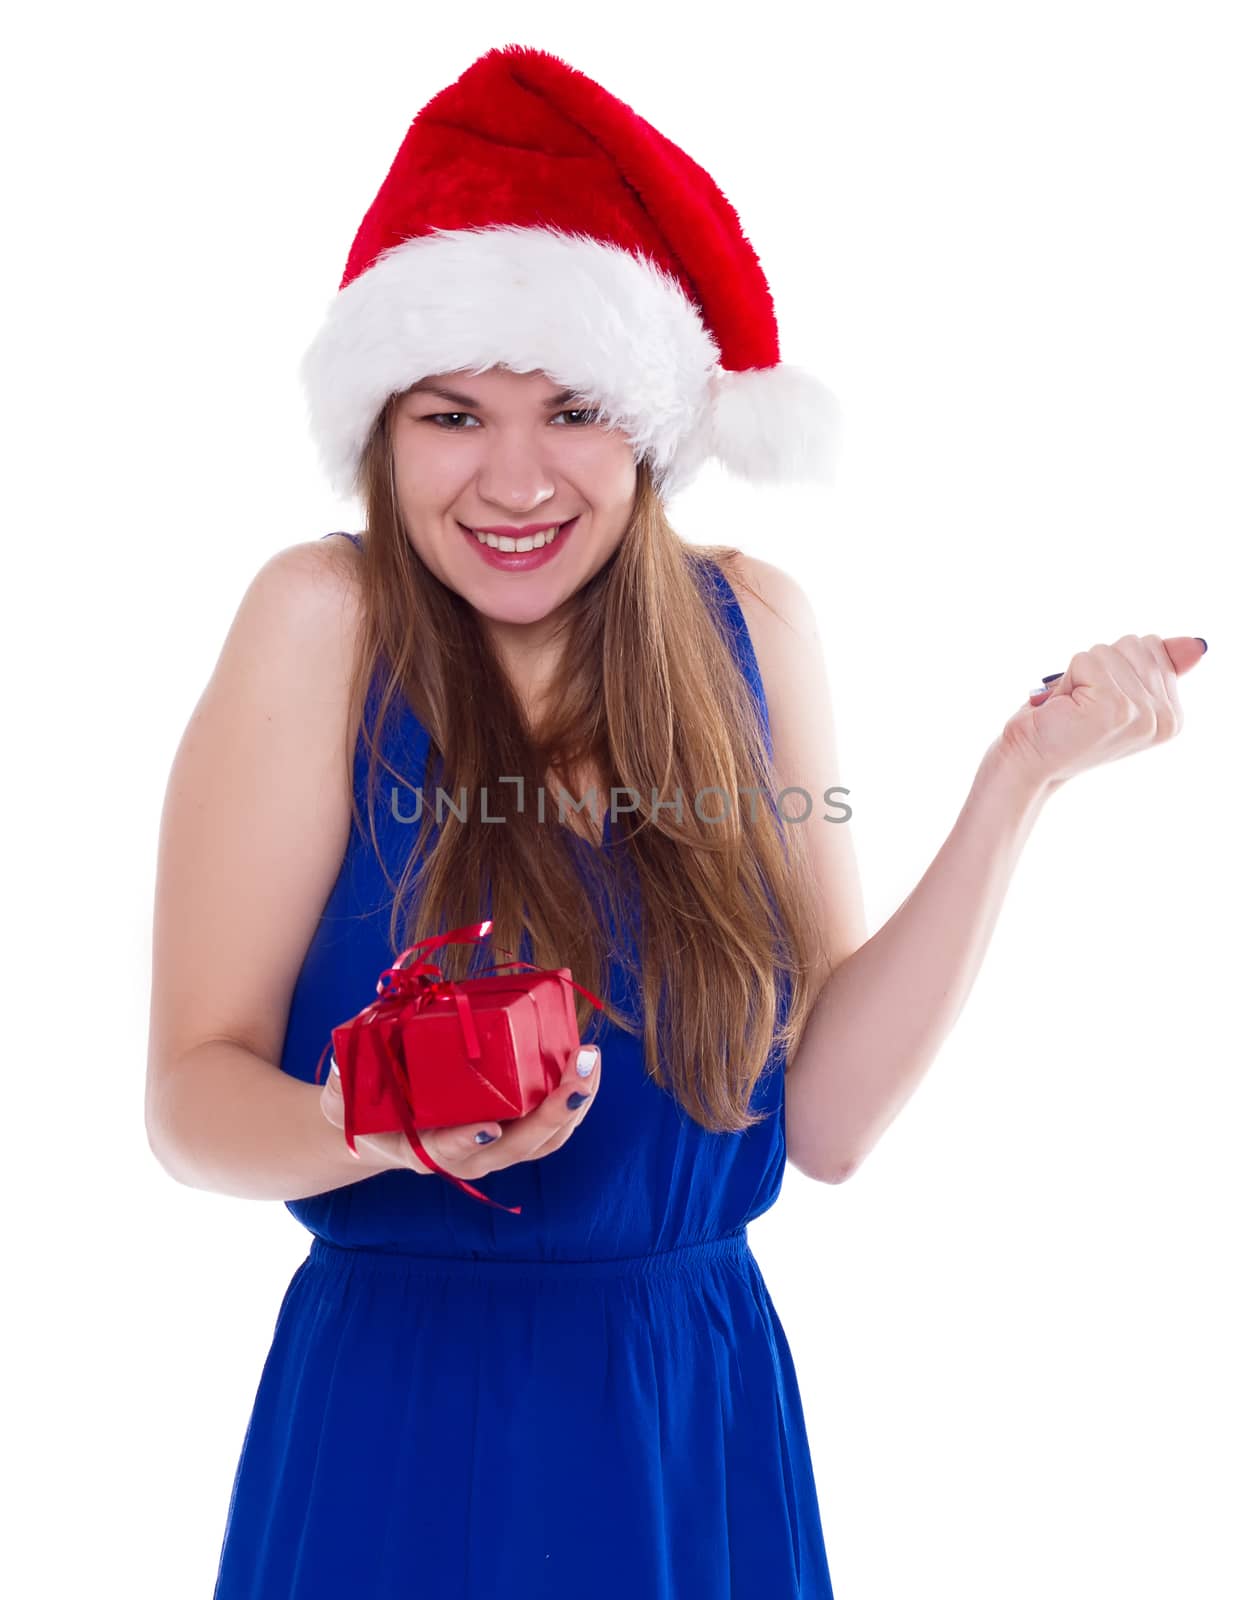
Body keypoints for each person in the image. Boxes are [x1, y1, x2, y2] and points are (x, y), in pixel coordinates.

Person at [144, 44, 1206, 1600]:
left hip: (691, 1407)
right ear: (385, 430)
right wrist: (364, 1126)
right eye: (452, 414)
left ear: (650, 423)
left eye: (572, 407)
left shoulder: (756, 632)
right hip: (407, 1408)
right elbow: (186, 1099)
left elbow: (825, 1125)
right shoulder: (323, 621)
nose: (512, 478)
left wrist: (1017, 782)